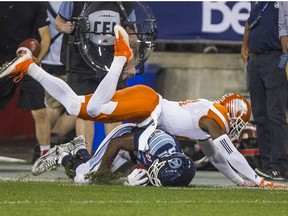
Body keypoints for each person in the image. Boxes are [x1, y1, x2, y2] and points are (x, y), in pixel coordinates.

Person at [1, 25, 287, 189]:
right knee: (87, 110)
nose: (237, 127)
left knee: (78, 106)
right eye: (238, 121)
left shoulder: (209, 119)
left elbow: (219, 159)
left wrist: (240, 182)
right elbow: (231, 154)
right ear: (233, 114)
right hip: (148, 107)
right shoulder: (214, 120)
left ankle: (30, 68)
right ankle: (120, 56)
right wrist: (258, 182)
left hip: (148, 109)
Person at [55, 2, 136, 154]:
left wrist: (131, 61)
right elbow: (59, 21)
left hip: (113, 64)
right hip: (80, 63)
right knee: (84, 112)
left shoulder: (125, 3)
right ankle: (85, 158)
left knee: (113, 113)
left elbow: (130, 32)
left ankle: (114, 158)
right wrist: (64, 26)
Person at [31, 124, 197, 187]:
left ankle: (79, 148)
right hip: (122, 143)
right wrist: (100, 175)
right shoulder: (156, 145)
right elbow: (116, 143)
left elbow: (160, 175)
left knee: (135, 179)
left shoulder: (174, 159)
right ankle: (62, 156)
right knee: (83, 177)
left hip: (137, 155)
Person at [241, 2, 288, 181]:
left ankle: (279, 166)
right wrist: (244, 45)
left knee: (276, 114)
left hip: (277, 57)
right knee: (260, 116)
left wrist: (285, 61)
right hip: (255, 59)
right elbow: (250, 21)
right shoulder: (256, 1)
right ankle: (267, 164)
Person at [0, 2, 51, 159]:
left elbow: (45, 38)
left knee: (40, 111)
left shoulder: (36, 3)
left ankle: (44, 156)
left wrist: (35, 62)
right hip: (2, 60)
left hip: (27, 60)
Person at [41, 2, 77, 149]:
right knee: (79, 108)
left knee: (52, 106)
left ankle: (42, 144)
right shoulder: (72, 3)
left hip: (48, 60)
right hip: (71, 60)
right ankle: (54, 138)